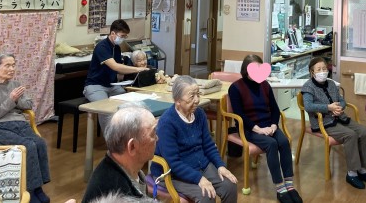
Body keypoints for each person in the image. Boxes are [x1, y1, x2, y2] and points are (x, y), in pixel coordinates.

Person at [152, 75, 237, 203]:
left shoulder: (199, 114)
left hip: (200, 165)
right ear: (177, 101)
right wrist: (199, 178)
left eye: (198, 94)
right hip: (173, 173)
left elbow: (208, 145)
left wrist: (220, 165)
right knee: (206, 195)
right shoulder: (167, 123)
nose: (197, 100)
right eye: (192, 96)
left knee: (230, 186)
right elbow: (173, 162)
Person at [228, 55, 302, 203]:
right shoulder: (235, 88)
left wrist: (274, 125)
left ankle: (289, 185)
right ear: (246, 70)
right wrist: (258, 129)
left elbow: (274, 108)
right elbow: (239, 114)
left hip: (269, 125)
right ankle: (280, 188)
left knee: (284, 142)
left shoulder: (265, 85)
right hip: (249, 128)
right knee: (271, 144)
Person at [0, 53, 51, 203]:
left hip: (18, 123)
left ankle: (38, 188)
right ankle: (30, 191)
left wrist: (17, 98)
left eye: (13, 65)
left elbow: (28, 105)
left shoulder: (15, 85)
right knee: (28, 146)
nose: (12, 69)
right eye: (7, 65)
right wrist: (11, 99)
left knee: (40, 143)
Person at [300, 57, 366, 189]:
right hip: (323, 122)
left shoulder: (331, 84)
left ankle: (362, 169)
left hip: (339, 117)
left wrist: (339, 107)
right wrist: (328, 108)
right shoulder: (308, 87)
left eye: (324, 68)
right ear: (312, 72)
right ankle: (352, 173)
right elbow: (308, 106)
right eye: (319, 69)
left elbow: (342, 100)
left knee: (364, 131)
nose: (322, 71)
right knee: (350, 135)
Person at [82, 105, 158, 203]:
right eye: (153, 134)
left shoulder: (127, 170)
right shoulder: (118, 194)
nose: (157, 138)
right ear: (132, 147)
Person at [84, 19, 148, 133]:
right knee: (106, 109)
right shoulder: (102, 47)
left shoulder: (117, 48)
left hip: (112, 85)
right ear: (113, 33)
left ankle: (126, 134)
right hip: (95, 86)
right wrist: (138, 69)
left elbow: (120, 70)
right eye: (122, 36)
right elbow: (115, 67)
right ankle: (110, 140)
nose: (123, 39)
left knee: (129, 104)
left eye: (125, 36)